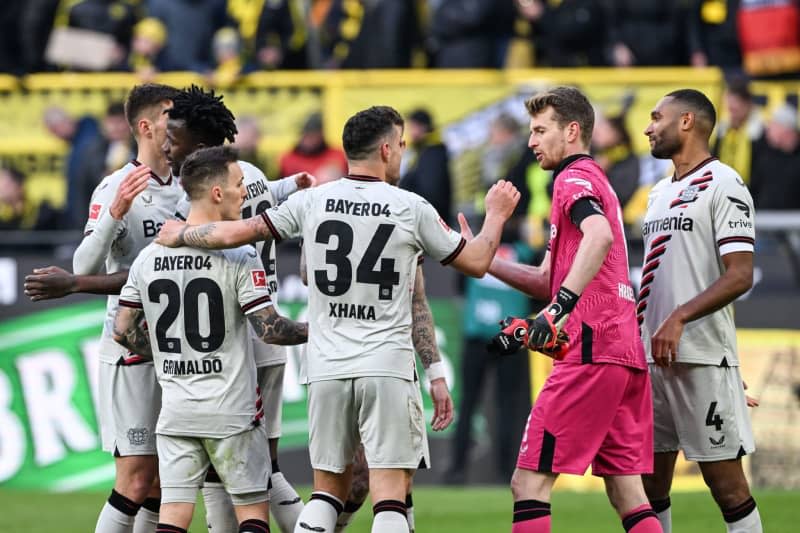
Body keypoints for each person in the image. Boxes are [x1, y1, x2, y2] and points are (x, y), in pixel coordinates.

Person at [155, 105, 520, 533]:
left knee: (327, 493)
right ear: (385, 149)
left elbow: (236, 232)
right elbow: (476, 262)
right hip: (385, 364)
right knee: (390, 498)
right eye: (400, 145)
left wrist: (181, 235)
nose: (402, 152)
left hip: (326, 367)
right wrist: (496, 213)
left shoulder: (312, 201)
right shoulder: (410, 206)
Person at [465, 86, 661, 533]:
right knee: (627, 493)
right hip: (621, 350)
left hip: (592, 350)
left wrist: (558, 310)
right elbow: (546, 278)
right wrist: (481, 259)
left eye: (540, 130)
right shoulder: (594, 179)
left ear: (572, 131)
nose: (531, 141)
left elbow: (599, 238)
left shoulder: (572, 179)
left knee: (528, 482)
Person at [113, 145, 309, 533]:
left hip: (176, 413)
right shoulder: (240, 256)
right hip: (232, 412)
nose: (244, 193)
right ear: (217, 193)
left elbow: (122, 331)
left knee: (173, 517)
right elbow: (270, 329)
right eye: (239, 185)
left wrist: (174, 352)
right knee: (252, 514)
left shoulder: (148, 258)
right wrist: (318, 330)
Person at [165, 85, 312, 533]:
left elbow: (195, 246)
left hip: (238, 336)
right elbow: (269, 202)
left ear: (199, 141)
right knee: (263, 468)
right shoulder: (251, 174)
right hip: (266, 323)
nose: (168, 148)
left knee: (230, 467)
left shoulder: (202, 190)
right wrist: (295, 185)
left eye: (176, 139)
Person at [640, 89, 761, 533]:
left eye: (657, 117)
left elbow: (740, 274)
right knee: (649, 484)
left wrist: (680, 317)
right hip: (652, 359)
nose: (649, 126)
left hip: (702, 357)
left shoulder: (725, 182)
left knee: (726, 485)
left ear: (687, 121)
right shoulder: (656, 193)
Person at [67, 83, 180, 533]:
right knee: (134, 479)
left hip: (175, 350)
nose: (179, 125)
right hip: (129, 350)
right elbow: (82, 267)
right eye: (171, 116)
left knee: (162, 482)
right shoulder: (116, 186)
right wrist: (115, 212)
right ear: (147, 126)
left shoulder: (190, 187)